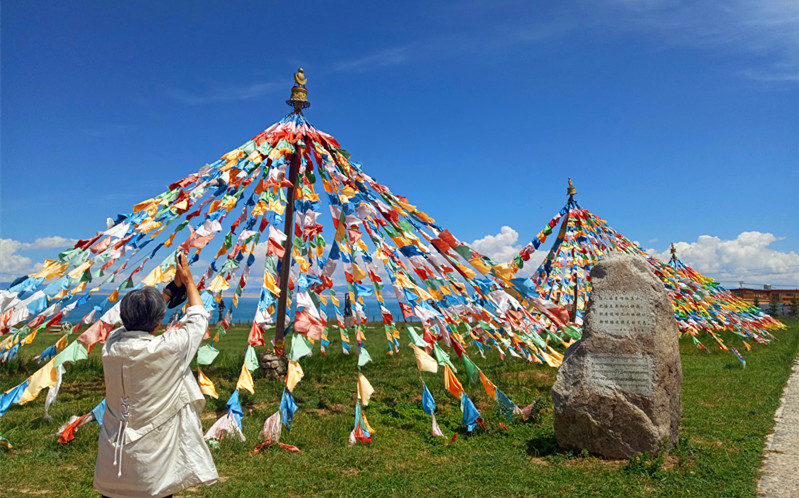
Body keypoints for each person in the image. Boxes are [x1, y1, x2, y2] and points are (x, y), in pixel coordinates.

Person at [94, 253, 218, 497]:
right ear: (159, 322)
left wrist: (171, 290)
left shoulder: (111, 345)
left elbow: (137, 320)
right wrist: (189, 282)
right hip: (151, 470)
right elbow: (198, 318)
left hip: (110, 467)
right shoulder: (168, 349)